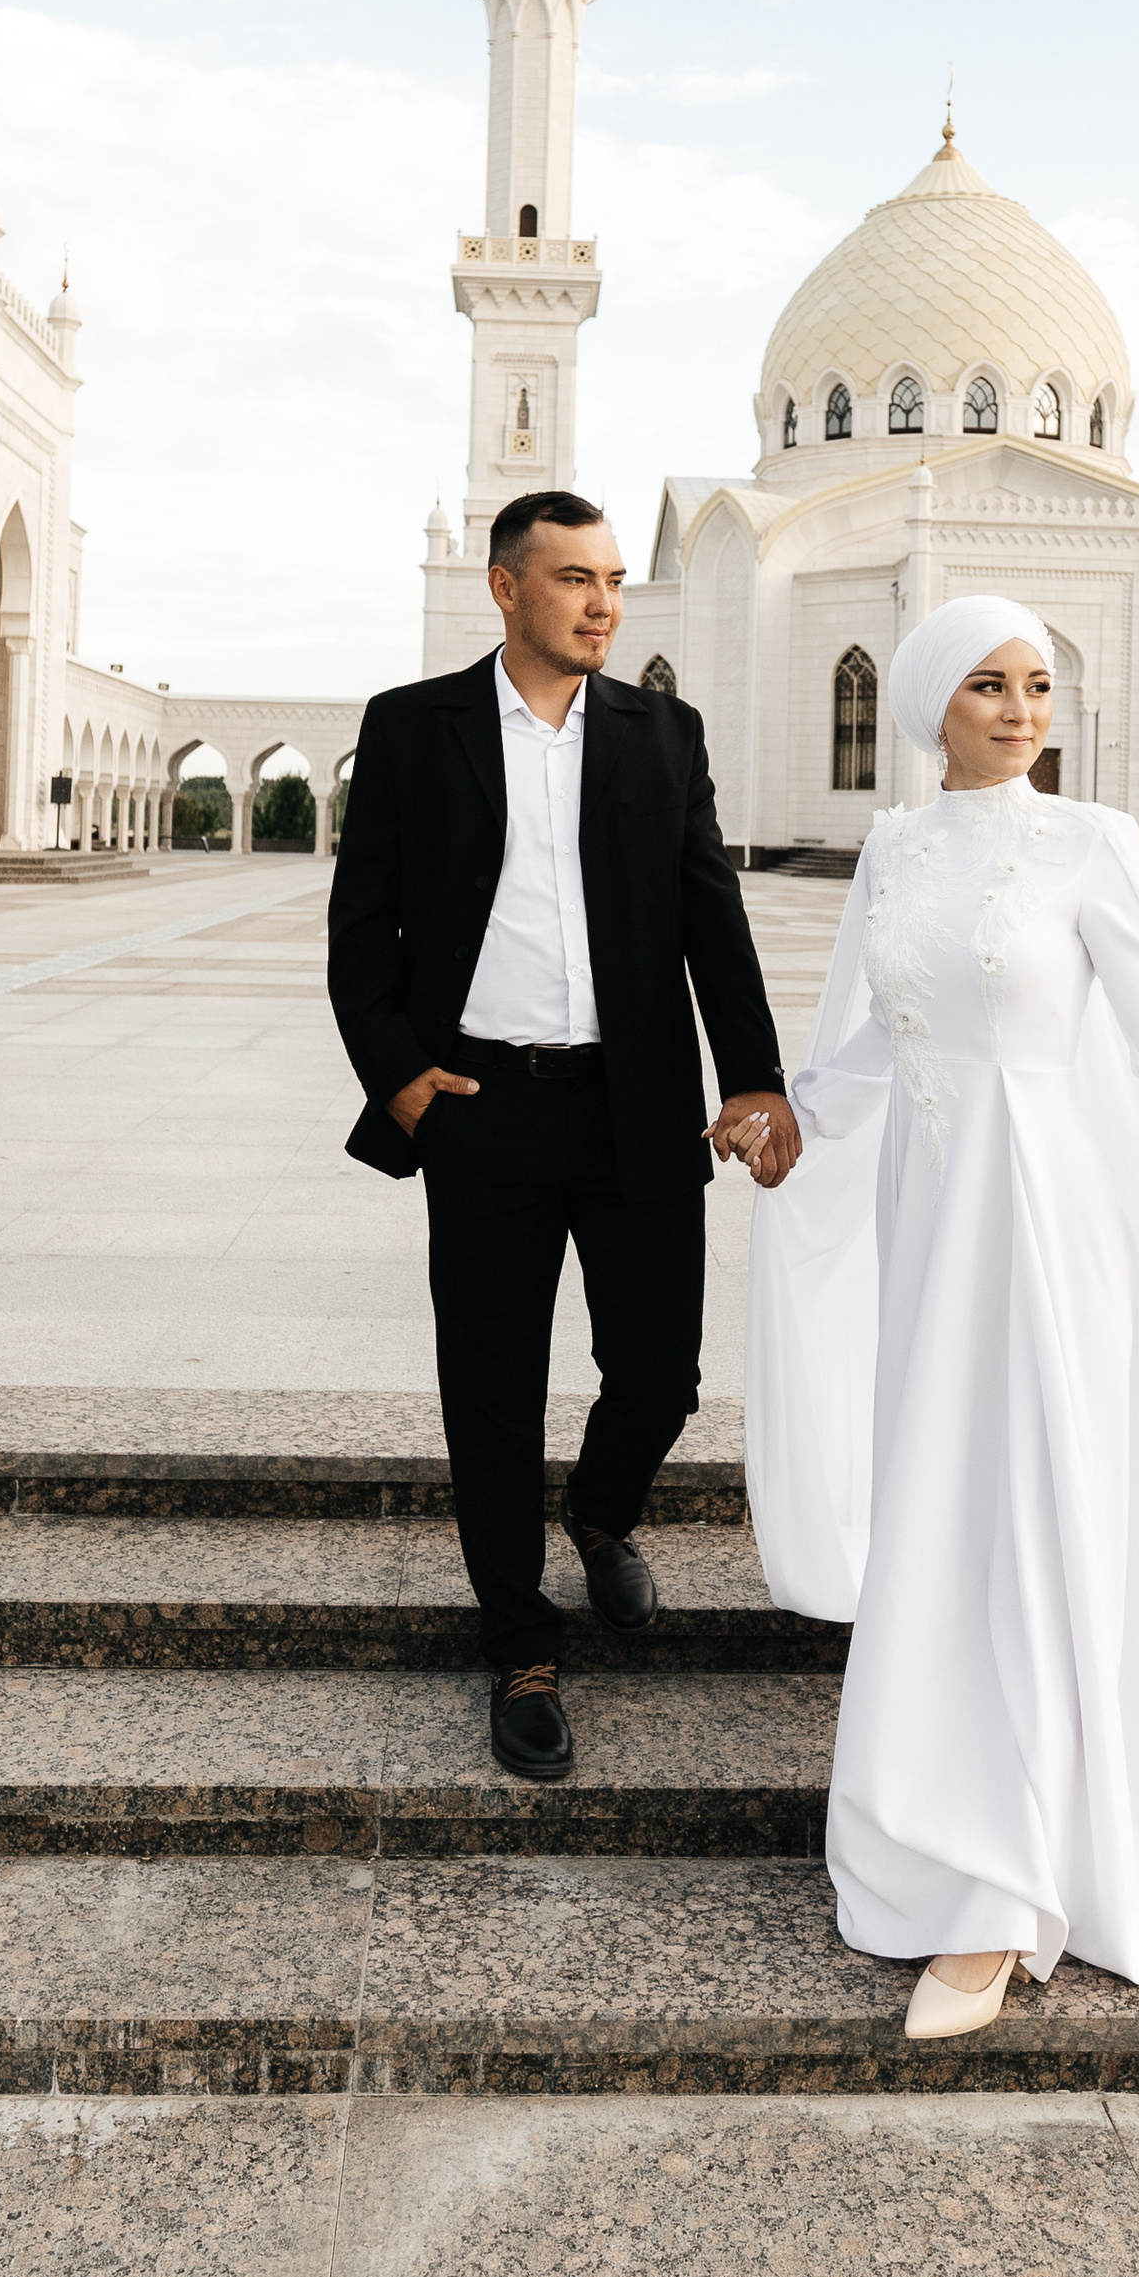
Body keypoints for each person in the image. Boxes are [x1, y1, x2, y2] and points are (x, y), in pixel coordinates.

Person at [743, 593, 1139, 2038]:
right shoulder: (891, 851)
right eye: (987, 686)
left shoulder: (1094, 845)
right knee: (949, 1503)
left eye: (1036, 685)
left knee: (1037, 1497)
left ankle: (1015, 1884)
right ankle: (954, 1821)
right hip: (931, 1217)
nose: (1021, 710)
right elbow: (853, 1048)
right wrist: (785, 1123)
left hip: (1047, 1219)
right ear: (929, 708)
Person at [328, 488, 799, 1783]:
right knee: (491, 1390)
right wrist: (401, 1075)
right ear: (505, 589)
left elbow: (714, 921)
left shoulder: (660, 735)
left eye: (612, 581)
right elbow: (362, 930)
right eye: (576, 579)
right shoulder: (414, 729)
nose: (604, 603)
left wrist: (755, 1077)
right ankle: (522, 1643)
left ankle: (598, 1513)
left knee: (660, 1374)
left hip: (637, 1105)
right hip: (482, 1108)